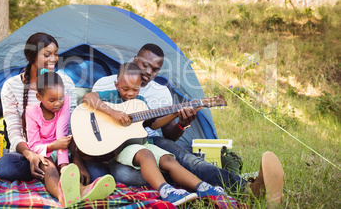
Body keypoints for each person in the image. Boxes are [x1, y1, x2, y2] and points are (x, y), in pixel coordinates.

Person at [89, 43, 284, 207]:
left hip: (151, 140)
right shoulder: (105, 84)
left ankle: (247, 189)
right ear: (134, 60)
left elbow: (167, 133)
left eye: (155, 69)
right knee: (121, 172)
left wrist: (182, 124)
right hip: (118, 145)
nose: (148, 71)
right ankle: (181, 182)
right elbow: (89, 111)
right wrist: (113, 114)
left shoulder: (161, 93)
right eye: (144, 64)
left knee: (188, 160)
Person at [82, 62, 238, 207]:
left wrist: (175, 114)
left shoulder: (140, 102)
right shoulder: (110, 96)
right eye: (125, 89)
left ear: (140, 87)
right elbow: (88, 97)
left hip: (143, 142)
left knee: (169, 160)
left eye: (135, 89)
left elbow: (154, 124)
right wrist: (113, 113)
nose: (130, 93)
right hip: (122, 147)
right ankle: (167, 191)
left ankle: (204, 188)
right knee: (146, 154)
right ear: (117, 85)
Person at [0, 33, 115, 205]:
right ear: (31, 56)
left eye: (55, 53)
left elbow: (69, 127)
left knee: (99, 173)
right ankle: (61, 181)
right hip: (30, 150)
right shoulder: (11, 86)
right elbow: (14, 131)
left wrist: (76, 160)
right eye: (47, 54)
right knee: (6, 167)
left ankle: (64, 176)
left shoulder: (64, 82)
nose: (53, 59)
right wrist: (30, 155)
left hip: (64, 149)